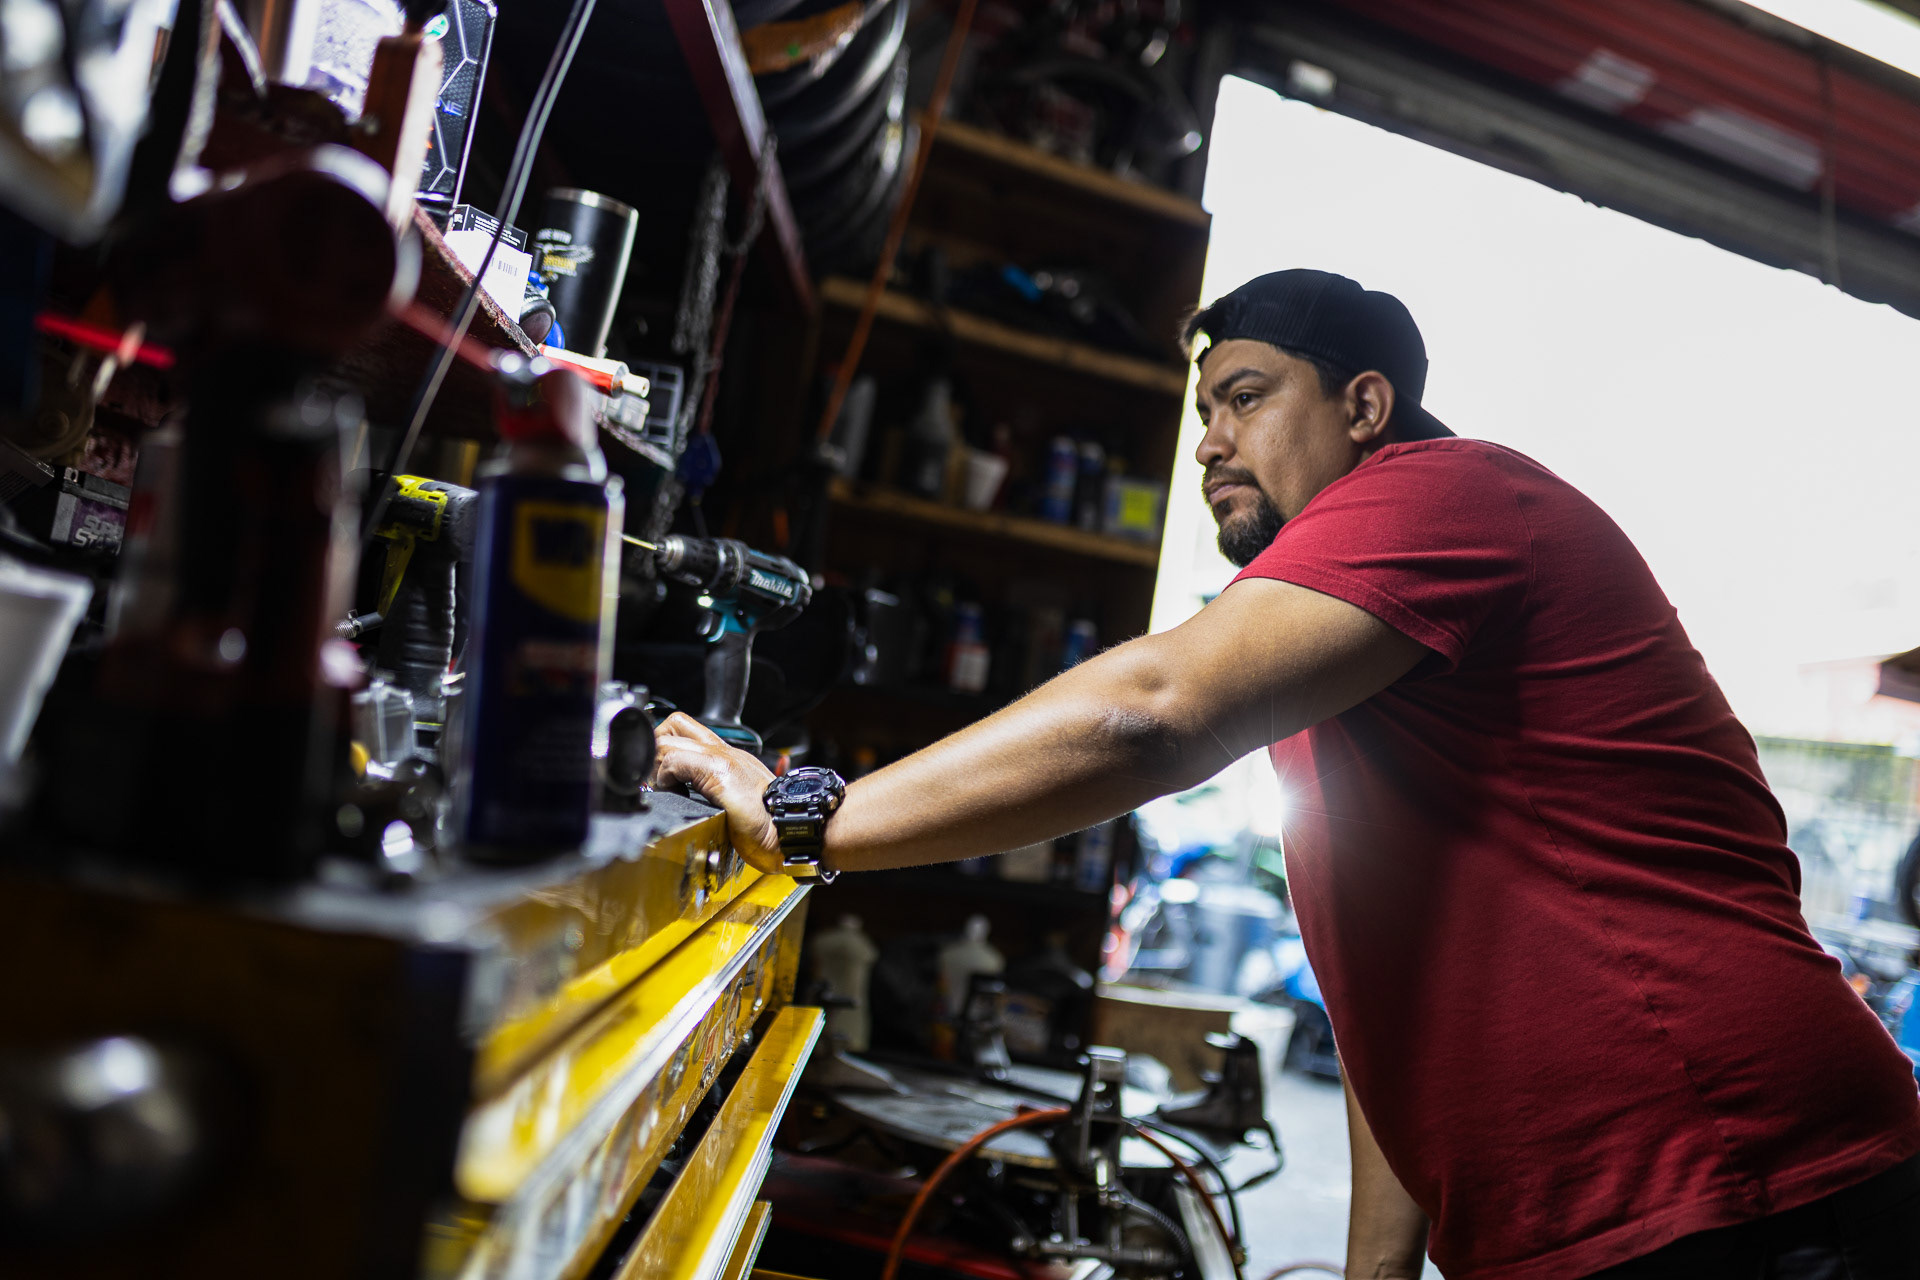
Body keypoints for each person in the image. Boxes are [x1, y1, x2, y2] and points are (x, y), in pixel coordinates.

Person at [653, 269, 1920, 1279]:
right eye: (1205, 409)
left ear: (1365, 408)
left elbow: (1152, 709)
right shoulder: (1346, 673)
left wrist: (806, 811)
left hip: (1754, 1175)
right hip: (1616, 1215)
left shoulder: (1448, 492)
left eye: (1247, 396)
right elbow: (1396, 993)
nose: (1211, 440)